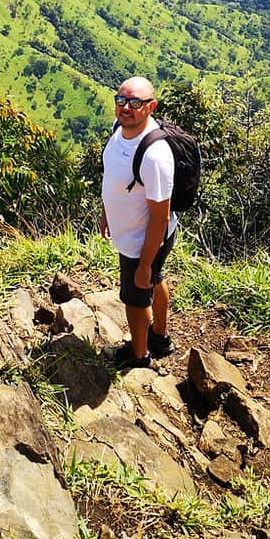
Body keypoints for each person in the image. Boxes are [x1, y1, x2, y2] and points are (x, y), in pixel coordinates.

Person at [101, 76, 176, 369]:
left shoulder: (155, 155)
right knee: (156, 280)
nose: (126, 108)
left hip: (143, 241)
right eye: (121, 100)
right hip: (132, 231)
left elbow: (159, 217)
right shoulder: (119, 130)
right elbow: (114, 176)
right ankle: (159, 337)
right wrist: (107, 210)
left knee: (136, 299)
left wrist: (144, 263)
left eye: (135, 103)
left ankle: (139, 356)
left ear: (151, 106)